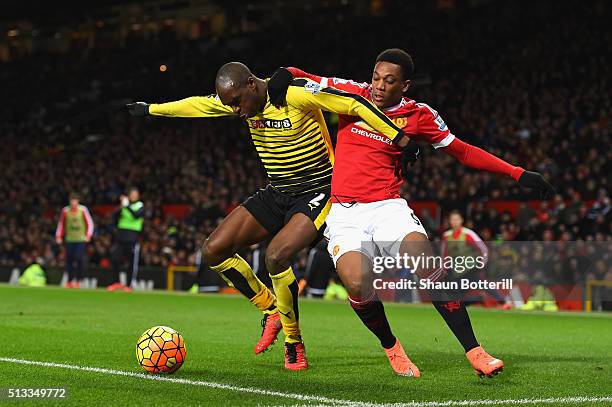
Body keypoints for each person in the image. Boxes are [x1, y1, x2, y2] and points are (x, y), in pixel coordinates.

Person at [273, 48, 554, 377]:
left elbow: (462, 151)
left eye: (389, 81)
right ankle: (392, 347)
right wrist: (283, 72)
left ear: (404, 85)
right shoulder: (353, 93)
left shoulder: (419, 114)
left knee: (426, 262)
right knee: (357, 283)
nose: (378, 86)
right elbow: (301, 74)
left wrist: (517, 173)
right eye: (376, 77)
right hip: (344, 213)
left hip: (386, 206)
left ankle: (476, 352)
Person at [126, 62, 407, 370]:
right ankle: (270, 308)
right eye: (228, 105)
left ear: (251, 85)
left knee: (275, 256)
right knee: (213, 250)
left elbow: (352, 102)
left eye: (236, 102)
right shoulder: (238, 102)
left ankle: (293, 342)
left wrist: (396, 135)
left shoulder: (293, 94)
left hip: (320, 189)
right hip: (278, 192)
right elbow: (195, 105)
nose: (235, 111)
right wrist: (151, 109)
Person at [442, 210, 506, 305]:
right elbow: (444, 254)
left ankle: (503, 302)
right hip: (456, 271)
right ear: (450, 221)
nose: (455, 222)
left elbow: (483, 249)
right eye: (452, 219)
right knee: (456, 299)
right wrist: (445, 269)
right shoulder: (446, 236)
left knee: (483, 285)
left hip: (470, 268)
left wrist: (482, 264)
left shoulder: (468, 234)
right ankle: (479, 298)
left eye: (457, 219)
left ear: (461, 220)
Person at [55, 193, 94, 288]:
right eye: (72, 200)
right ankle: (69, 281)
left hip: (80, 239)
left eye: (75, 200)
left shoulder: (83, 210)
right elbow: (61, 224)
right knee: (69, 260)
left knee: (79, 259)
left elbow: (89, 223)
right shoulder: (65, 210)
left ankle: (79, 280)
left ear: (78, 201)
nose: (73, 202)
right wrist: (58, 236)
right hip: (70, 239)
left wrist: (88, 235)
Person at [108, 188, 144, 292]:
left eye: (135, 194)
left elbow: (136, 216)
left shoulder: (140, 205)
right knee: (115, 259)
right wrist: (121, 207)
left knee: (131, 262)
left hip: (132, 237)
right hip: (121, 237)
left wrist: (127, 206)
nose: (133, 196)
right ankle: (116, 282)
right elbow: (114, 217)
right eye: (131, 194)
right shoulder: (124, 206)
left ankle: (129, 285)